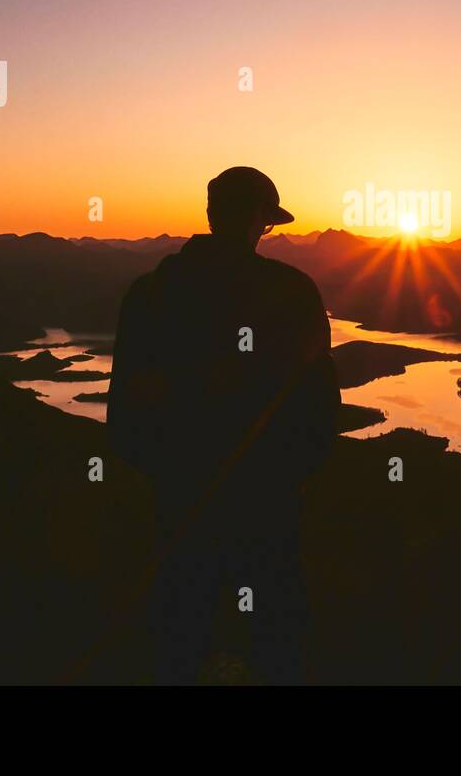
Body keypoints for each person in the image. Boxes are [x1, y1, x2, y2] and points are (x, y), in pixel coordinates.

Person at [107, 167, 340, 684]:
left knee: (180, 634)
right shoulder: (291, 292)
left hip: (174, 502)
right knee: (272, 639)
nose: (265, 232)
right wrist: (292, 479)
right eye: (267, 222)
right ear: (258, 219)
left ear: (211, 214)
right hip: (267, 508)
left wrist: (159, 478)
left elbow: (124, 416)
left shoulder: (148, 295)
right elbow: (320, 410)